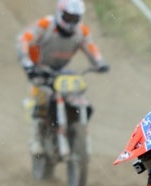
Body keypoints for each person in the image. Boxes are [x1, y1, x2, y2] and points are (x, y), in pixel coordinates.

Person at [16, 0, 110, 156]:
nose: (71, 22)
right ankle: (36, 139)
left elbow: (91, 47)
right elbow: (23, 39)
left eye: (75, 18)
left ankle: (75, 126)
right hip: (39, 69)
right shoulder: (46, 25)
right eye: (68, 17)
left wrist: (100, 63)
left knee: (77, 93)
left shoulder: (82, 31)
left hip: (61, 71)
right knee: (40, 98)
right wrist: (27, 63)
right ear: (60, 13)